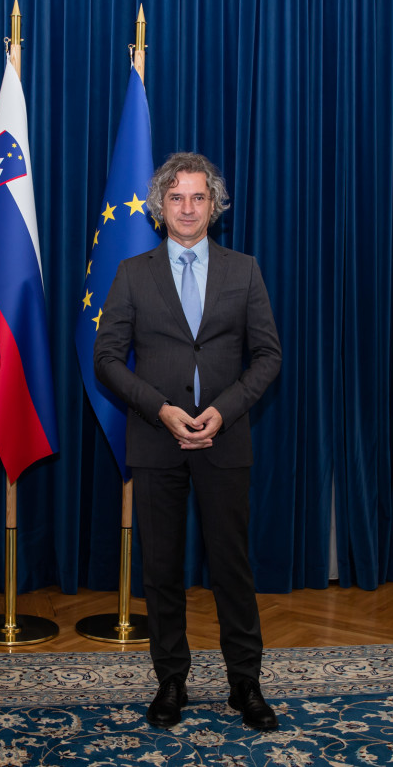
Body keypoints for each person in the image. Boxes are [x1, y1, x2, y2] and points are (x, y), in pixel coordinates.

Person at [94, 152, 282, 730]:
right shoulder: (132, 272)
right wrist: (160, 409)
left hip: (225, 442)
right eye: (176, 197)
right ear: (159, 206)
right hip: (157, 440)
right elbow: (105, 359)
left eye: (198, 197)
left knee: (232, 566)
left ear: (214, 205)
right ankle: (170, 681)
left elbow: (268, 356)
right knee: (163, 570)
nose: (187, 208)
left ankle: (244, 684)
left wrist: (222, 413)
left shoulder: (244, 270)